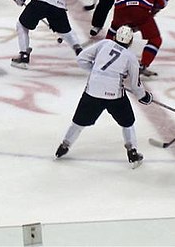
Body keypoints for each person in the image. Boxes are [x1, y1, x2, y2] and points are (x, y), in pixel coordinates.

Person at [54, 25, 152, 169]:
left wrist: (95, 72)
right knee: (127, 122)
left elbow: (81, 59)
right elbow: (135, 85)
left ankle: (64, 146)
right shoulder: (131, 58)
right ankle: (132, 152)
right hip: (115, 95)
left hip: (93, 91)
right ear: (130, 41)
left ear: (115, 36)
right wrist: (144, 97)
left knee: (79, 122)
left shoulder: (104, 44)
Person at [10, 0, 84, 68]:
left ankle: (24, 56)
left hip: (40, 3)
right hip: (59, 7)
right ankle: (80, 51)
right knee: (67, 32)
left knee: (22, 25)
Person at [106, 0, 168, 77]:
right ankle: (143, 65)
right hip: (139, 9)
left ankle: (103, 55)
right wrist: (153, 9)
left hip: (120, 8)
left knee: (113, 30)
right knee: (155, 39)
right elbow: (163, 1)